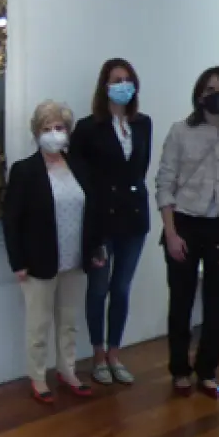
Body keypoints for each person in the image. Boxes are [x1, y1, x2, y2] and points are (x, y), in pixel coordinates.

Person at [154, 66, 219, 399]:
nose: (217, 95)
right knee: (181, 303)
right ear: (199, 96)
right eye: (210, 89)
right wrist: (171, 233)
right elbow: (164, 184)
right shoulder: (180, 132)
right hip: (184, 225)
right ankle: (179, 370)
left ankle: (208, 370)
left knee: (216, 305)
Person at [2, 101, 106, 404]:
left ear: (68, 132)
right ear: (37, 133)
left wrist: (95, 247)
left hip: (75, 259)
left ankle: (67, 370)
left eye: (59, 127)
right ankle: (38, 376)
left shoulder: (80, 168)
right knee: (39, 324)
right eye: (46, 128)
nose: (53, 133)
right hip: (39, 262)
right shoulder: (25, 171)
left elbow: (92, 211)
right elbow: (11, 220)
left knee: (69, 321)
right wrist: (18, 261)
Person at [69, 58, 153, 386]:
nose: (123, 85)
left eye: (128, 79)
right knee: (98, 289)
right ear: (104, 86)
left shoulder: (143, 124)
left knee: (121, 289)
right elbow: (81, 177)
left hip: (134, 220)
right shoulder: (88, 127)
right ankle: (98, 355)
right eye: (116, 80)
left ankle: (115, 354)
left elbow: (140, 169)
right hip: (101, 221)